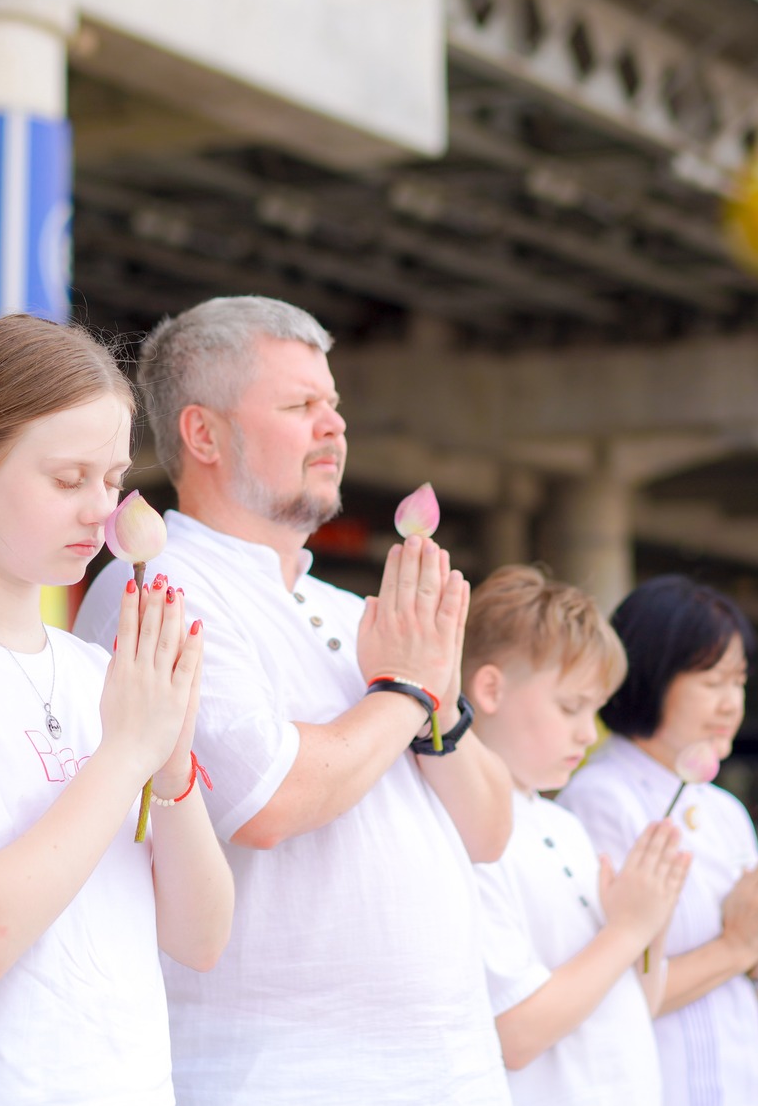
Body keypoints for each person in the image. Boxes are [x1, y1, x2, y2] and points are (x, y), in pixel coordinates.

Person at [73, 295, 515, 1106]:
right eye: (299, 404)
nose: (334, 425)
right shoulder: (157, 585)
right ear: (204, 434)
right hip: (279, 1075)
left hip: (457, 1071)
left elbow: (489, 830)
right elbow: (268, 799)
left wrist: (437, 706)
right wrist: (405, 690)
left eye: (333, 403)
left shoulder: (356, 615)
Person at [0, 314, 232, 1106]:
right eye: (68, 479)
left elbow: (201, 938)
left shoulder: (100, 671)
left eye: (112, 480)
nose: (101, 510)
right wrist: (125, 754)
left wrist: (170, 764)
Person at [558, 575, 758, 1106]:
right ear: (649, 676)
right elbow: (606, 994)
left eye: (739, 682)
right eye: (713, 682)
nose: (732, 704)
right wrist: (739, 945)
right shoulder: (600, 800)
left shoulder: (724, 809)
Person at [463, 565, 689, 1105]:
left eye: (595, 710)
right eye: (570, 707)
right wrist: (629, 930)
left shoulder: (562, 824)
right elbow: (514, 1034)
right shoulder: (465, 828)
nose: (588, 734)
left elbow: (633, 1004)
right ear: (490, 688)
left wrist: (650, 922)